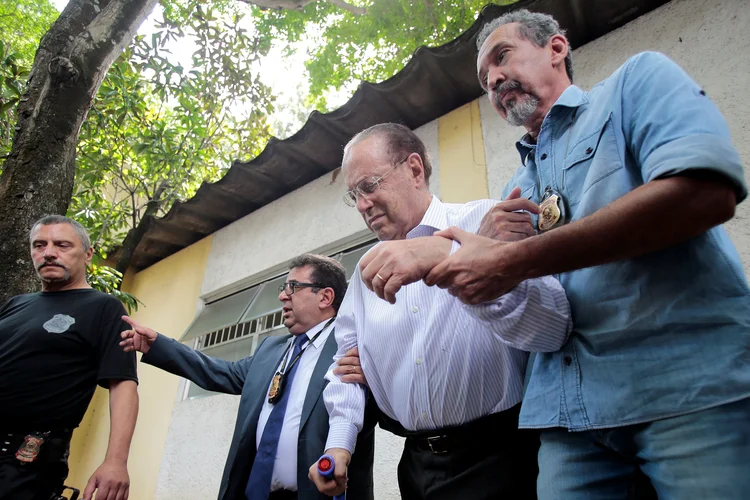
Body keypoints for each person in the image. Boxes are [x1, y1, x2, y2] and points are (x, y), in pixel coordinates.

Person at [422, 9, 750, 499]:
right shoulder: (514, 191)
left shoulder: (633, 84)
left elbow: (703, 191)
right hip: (568, 424)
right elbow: (539, 320)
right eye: (484, 78)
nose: (492, 79)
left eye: (502, 55)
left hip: (688, 392)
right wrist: (489, 278)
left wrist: (513, 262)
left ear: (556, 49)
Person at [308, 123, 572, 500]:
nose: (363, 205)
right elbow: (347, 372)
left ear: (415, 170)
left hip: (503, 459)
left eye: (369, 185)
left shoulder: (485, 223)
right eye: (354, 195)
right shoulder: (366, 272)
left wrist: (460, 263)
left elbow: (553, 328)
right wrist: (339, 445)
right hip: (417, 467)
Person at [119, 254, 376, 500]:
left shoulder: (351, 347)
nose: (281, 296)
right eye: (283, 287)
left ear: (325, 296)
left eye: (293, 287)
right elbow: (221, 373)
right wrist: (159, 346)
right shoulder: (271, 350)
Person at [0, 215, 139, 500]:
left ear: (88, 255)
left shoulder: (105, 309)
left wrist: (116, 461)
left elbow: (123, 384)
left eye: (62, 245)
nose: (49, 252)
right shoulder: (15, 305)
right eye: (40, 245)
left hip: (25, 461)